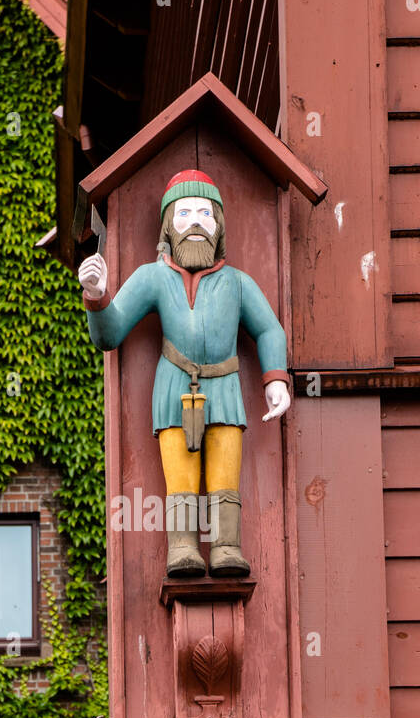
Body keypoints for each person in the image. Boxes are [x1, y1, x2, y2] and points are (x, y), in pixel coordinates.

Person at [79, 169, 291, 576]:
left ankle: (227, 547)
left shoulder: (237, 283)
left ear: (218, 226)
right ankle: (182, 548)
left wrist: (276, 379)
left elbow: (269, 329)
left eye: (205, 213)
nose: (195, 222)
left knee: (226, 471)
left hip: (226, 386)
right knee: (180, 474)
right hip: (174, 386)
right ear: (168, 226)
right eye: (184, 213)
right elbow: (111, 334)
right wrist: (97, 295)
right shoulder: (153, 277)